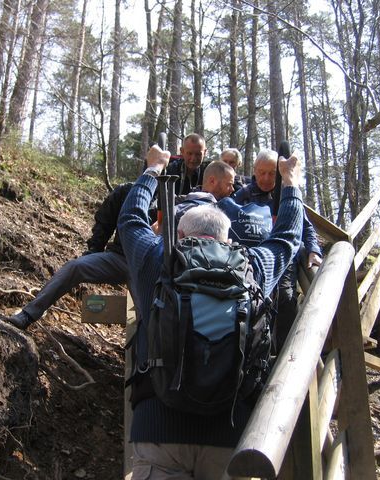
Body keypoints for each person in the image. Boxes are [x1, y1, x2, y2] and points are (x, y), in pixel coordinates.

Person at [118, 144, 304, 479]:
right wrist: (289, 182)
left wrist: (153, 169)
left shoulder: (158, 259)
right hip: (230, 436)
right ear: (228, 238)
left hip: (159, 432)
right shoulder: (252, 267)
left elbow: (130, 219)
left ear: (179, 234)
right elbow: (288, 237)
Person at [2, 182, 148, 330]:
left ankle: (150, 351)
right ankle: (28, 314)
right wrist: (94, 248)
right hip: (119, 258)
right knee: (75, 267)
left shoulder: (169, 198)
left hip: (148, 267)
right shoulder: (128, 191)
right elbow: (105, 222)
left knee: (146, 311)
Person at [234, 149, 323, 348]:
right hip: (254, 259)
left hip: (282, 257)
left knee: (285, 297)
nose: (266, 178)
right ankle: (255, 349)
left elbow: (305, 225)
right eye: (262, 172)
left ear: (280, 172)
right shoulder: (244, 195)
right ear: (254, 172)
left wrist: (313, 250)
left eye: (271, 173)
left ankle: (285, 351)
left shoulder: (287, 194)